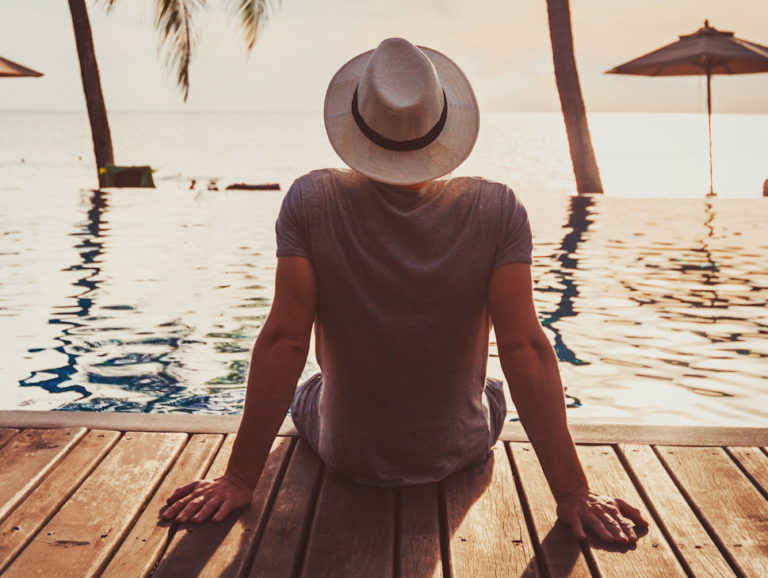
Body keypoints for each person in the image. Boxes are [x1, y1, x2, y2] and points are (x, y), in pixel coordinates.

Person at [163, 38, 648, 544]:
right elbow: (525, 348)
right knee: (493, 389)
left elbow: (286, 342)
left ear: (356, 122)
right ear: (443, 125)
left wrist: (239, 477)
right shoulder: (498, 209)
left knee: (313, 385)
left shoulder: (312, 199)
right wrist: (573, 492)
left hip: (345, 450)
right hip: (457, 448)